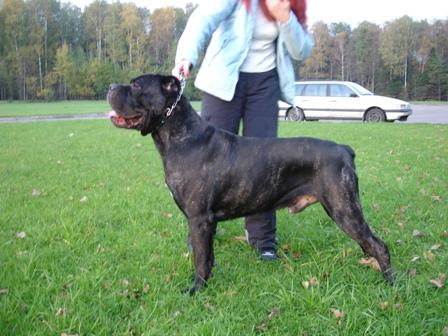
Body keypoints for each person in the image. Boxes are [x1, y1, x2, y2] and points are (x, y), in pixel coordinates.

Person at [172, 0, 313, 261]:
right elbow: (202, 20)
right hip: (223, 80)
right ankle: (202, 232)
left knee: (265, 165)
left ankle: (262, 238)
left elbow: (302, 50)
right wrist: (186, 57)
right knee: (209, 163)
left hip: (265, 85)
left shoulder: (288, 3)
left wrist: (285, 17)